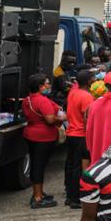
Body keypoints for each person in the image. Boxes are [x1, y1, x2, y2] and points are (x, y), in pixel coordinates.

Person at [22, 72, 65, 208]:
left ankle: (38, 192)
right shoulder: (42, 101)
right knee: (39, 167)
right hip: (43, 137)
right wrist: (63, 118)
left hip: (31, 134)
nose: (49, 85)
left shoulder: (28, 99)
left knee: (36, 165)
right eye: (47, 83)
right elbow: (50, 120)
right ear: (40, 87)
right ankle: (38, 197)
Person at [65, 69, 94, 209]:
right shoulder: (87, 96)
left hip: (71, 133)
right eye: (93, 78)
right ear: (89, 82)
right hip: (81, 134)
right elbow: (87, 118)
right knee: (78, 167)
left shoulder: (73, 92)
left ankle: (70, 195)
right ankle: (75, 198)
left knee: (70, 165)